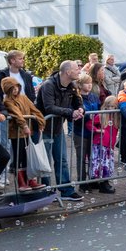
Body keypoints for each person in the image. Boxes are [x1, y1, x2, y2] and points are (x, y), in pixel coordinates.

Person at [36, 61, 84, 201]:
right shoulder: (48, 85)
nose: (79, 71)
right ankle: (45, 191)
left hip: (57, 128)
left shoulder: (72, 86)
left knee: (62, 159)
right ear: (68, 72)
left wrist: (80, 108)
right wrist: (71, 112)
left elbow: (78, 101)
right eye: (76, 69)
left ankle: (66, 190)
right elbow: (49, 107)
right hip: (43, 128)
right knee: (45, 162)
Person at [1, 77, 46, 190]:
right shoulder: (7, 100)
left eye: (16, 87)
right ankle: (21, 182)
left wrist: (41, 122)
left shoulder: (24, 97)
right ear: (7, 89)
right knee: (18, 157)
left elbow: (34, 110)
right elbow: (17, 114)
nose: (15, 90)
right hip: (16, 133)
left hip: (27, 132)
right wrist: (24, 125)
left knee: (27, 157)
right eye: (12, 88)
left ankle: (30, 180)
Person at [73, 73, 100, 189]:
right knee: (81, 157)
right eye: (86, 83)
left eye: (90, 83)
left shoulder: (94, 96)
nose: (89, 85)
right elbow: (79, 115)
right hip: (81, 131)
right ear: (80, 84)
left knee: (93, 156)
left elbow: (98, 110)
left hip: (94, 132)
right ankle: (82, 182)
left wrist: (97, 118)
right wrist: (89, 117)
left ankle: (93, 179)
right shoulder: (76, 98)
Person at [88, 95, 118, 194]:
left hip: (109, 145)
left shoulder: (116, 117)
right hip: (100, 144)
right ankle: (103, 185)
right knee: (102, 164)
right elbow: (89, 124)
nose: (111, 109)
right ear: (105, 106)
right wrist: (97, 130)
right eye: (109, 106)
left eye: (113, 106)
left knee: (108, 164)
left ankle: (105, 182)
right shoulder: (101, 115)